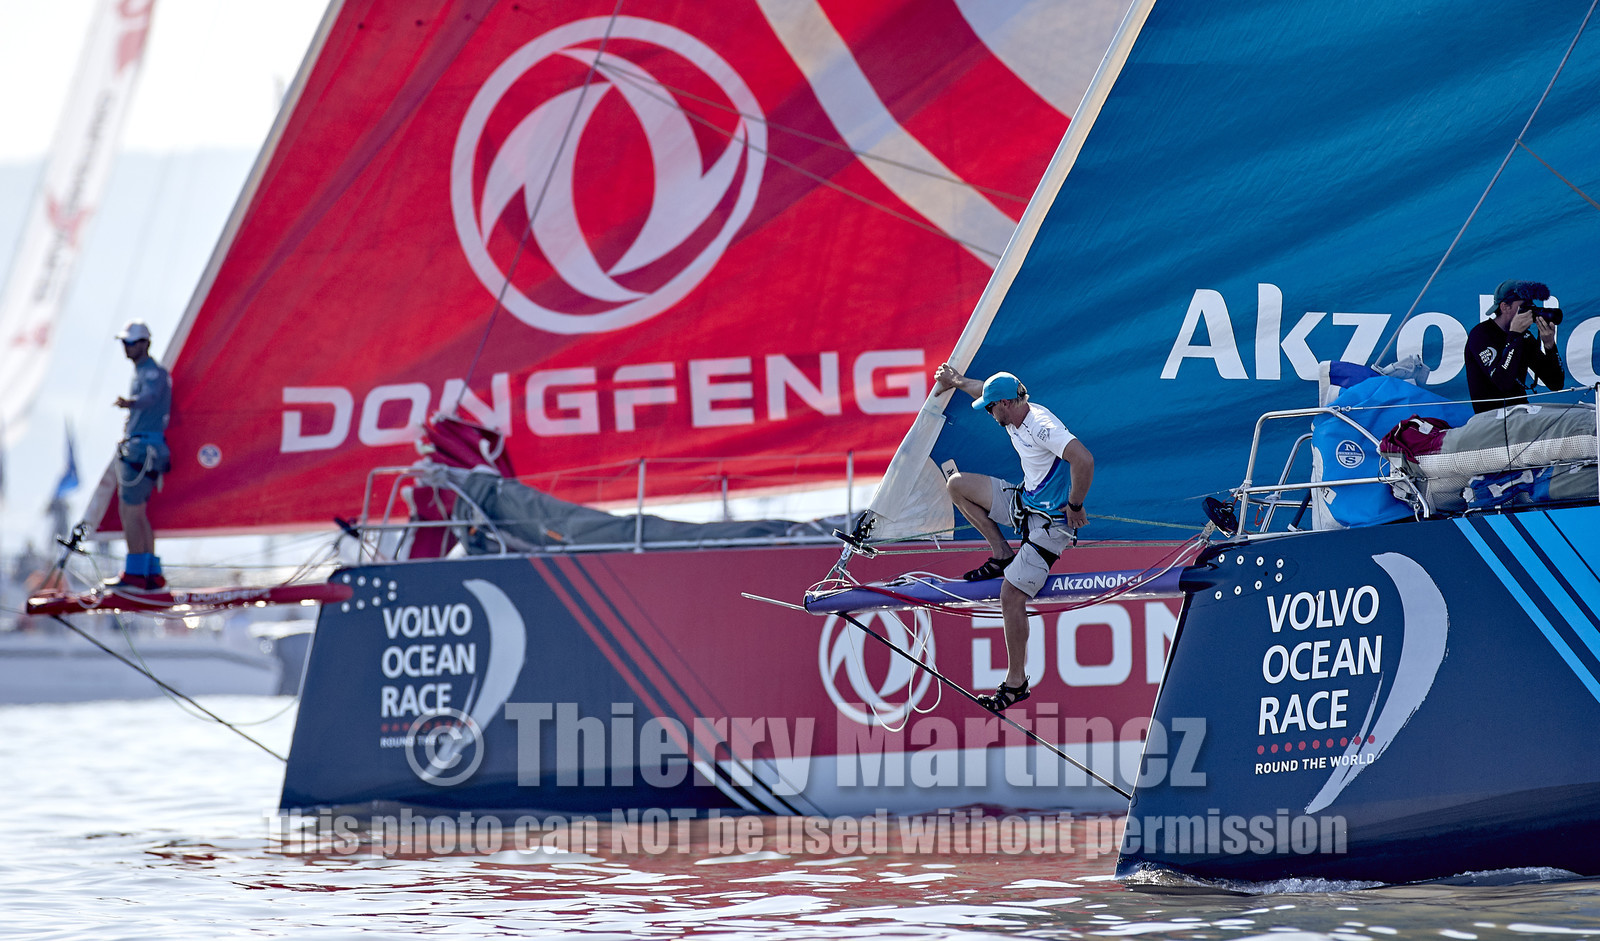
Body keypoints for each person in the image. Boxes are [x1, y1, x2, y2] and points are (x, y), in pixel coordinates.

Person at [933, 363, 1093, 713]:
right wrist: (955, 381)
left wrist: (1076, 505)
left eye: (991, 408)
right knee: (956, 484)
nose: (988, 413)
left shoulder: (1041, 426)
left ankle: (1017, 681)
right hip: (1024, 501)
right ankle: (1002, 553)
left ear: (1005, 404)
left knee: (1010, 595)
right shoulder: (1009, 411)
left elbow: (1083, 459)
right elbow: (982, 390)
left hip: (1051, 524)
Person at [111, 320, 172, 590]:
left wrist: (129, 403)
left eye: (132, 342)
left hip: (142, 450)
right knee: (138, 513)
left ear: (145, 344)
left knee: (130, 512)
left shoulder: (151, 373)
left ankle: (136, 575)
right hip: (147, 449)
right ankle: (151, 574)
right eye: (125, 342)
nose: (127, 347)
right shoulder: (144, 371)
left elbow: (149, 397)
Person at [1464, 279, 1565, 413]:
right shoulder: (1481, 335)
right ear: (1505, 307)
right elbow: (1502, 382)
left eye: (1532, 305)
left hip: (1519, 414)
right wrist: (1514, 336)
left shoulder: (1524, 336)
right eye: (1525, 306)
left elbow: (1555, 383)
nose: (1530, 311)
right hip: (1490, 419)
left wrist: (1549, 345)